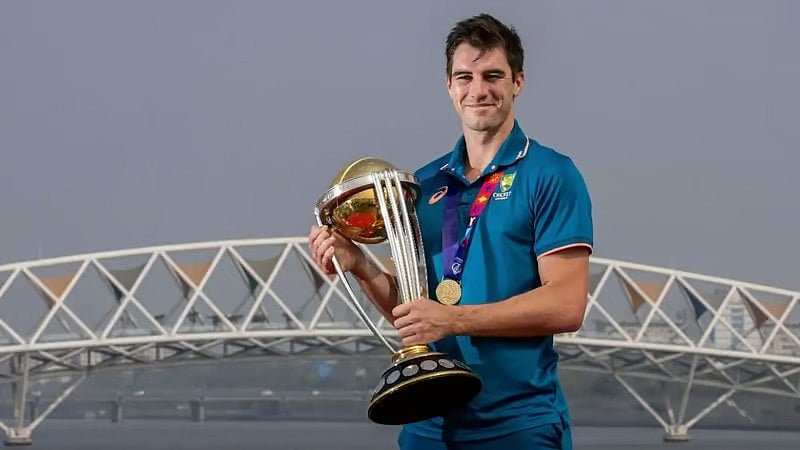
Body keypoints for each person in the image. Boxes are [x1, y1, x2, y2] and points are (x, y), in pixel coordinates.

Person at [308, 12, 593, 450]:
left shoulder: (550, 174)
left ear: (517, 82)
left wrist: (454, 318)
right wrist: (361, 265)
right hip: (428, 422)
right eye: (465, 77)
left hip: (518, 424)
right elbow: (417, 314)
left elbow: (566, 305)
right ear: (449, 86)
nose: (478, 90)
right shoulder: (422, 185)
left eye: (492, 76)